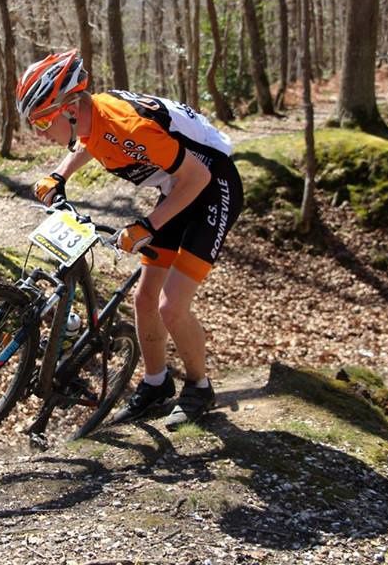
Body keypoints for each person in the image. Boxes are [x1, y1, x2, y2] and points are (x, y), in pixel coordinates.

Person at [16, 49, 243, 430]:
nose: (39, 133)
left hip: (210, 184)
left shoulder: (128, 128)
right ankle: (156, 385)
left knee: (171, 305)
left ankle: (200, 386)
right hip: (179, 186)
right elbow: (90, 141)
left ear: (70, 108)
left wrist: (149, 225)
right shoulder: (93, 119)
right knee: (144, 299)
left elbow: (197, 179)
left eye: (41, 121)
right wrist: (59, 174)